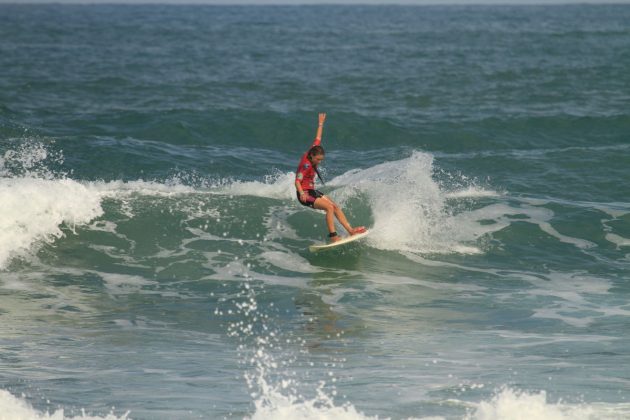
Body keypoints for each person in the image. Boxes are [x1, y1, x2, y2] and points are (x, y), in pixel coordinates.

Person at [295, 113, 366, 243]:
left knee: (335, 206)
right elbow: (297, 181)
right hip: (304, 194)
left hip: (311, 191)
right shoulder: (305, 165)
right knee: (329, 208)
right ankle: (333, 236)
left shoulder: (313, 150)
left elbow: (318, 138)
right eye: (318, 160)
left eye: (321, 160)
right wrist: (301, 193)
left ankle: (350, 231)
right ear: (312, 157)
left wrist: (321, 123)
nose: (319, 162)